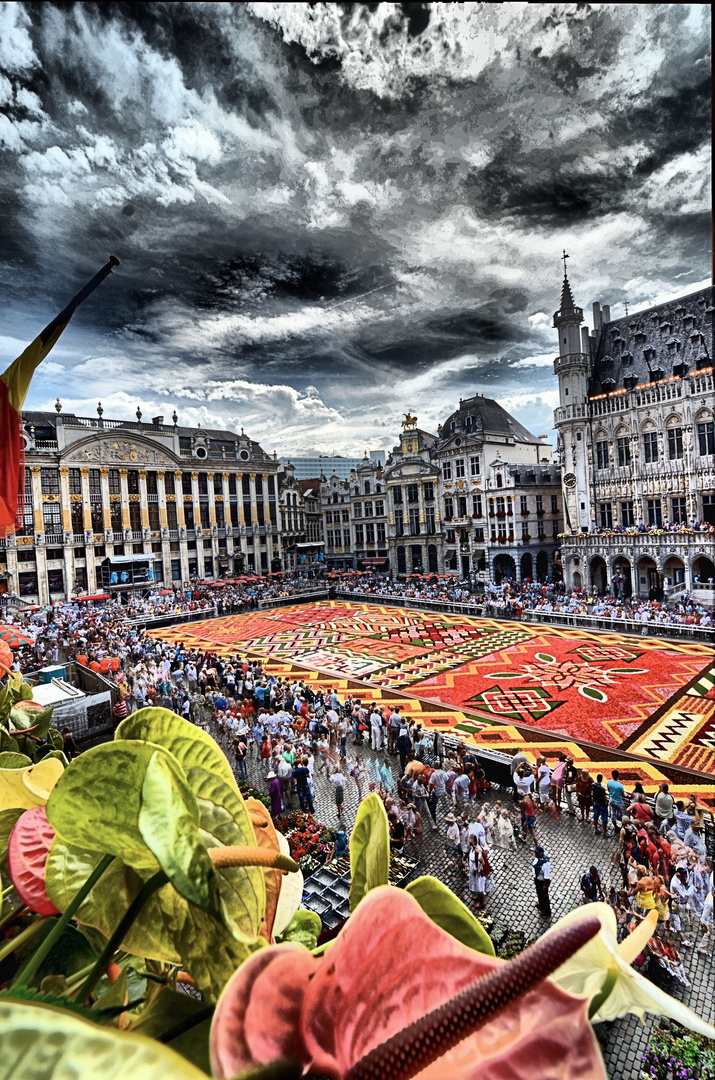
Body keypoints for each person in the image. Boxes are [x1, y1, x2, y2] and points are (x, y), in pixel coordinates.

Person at [533, 845, 551, 917]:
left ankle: (546, 911)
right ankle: (541, 905)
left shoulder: (545, 864)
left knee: (544, 897)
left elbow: (547, 878)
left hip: (542, 882)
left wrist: (545, 886)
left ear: (541, 853)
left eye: (537, 853)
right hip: (537, 880)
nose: (535, 854)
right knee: (539, 894)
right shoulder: (537, 859)